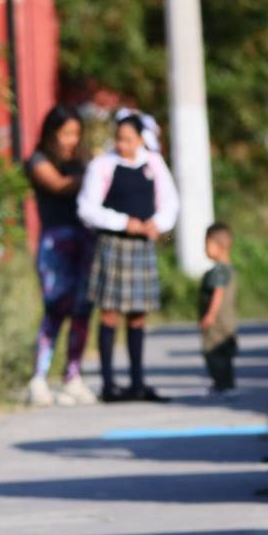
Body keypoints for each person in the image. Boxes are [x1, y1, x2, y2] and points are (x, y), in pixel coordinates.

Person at [77, 114, 179, 402]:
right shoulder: (103, 165)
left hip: (142, 245)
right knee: (109, 311)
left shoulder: (154, 164)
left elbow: (170, 201)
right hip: (114, 243)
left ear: (140, 139)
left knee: (138, 314)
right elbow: (87, 208)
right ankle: (109, 384)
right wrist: (124, 223)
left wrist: (157, 223)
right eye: (119, 139)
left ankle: (137, 382)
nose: (123, 145)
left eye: (129, 139)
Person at [25, 104, 96, 406]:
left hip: (86, 241)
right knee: (55, 309)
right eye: (66, 133)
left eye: (76, 133)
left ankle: (73, 376)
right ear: (52, 133)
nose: (71, 139)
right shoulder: (37, 161)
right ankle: (39, 378)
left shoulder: (84, 162)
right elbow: (58, 185)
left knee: (82, 311)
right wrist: (99, 175)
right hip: (56, 244)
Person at [200, 223, 238, 396]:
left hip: (217, 322)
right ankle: (226, 384)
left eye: (206, 244)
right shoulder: (229, 269)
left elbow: (218, 293)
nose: (204, 249)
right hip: (228, 322)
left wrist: (210, 315)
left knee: (213, 353)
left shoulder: (219, 271)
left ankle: (222, 385)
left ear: (220, 246)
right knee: (225, 355)